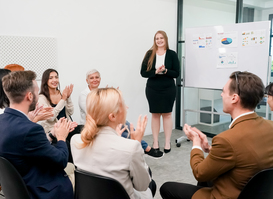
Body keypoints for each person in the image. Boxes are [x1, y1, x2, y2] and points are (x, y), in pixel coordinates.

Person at [160, 71, 273, 199]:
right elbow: (244, 155)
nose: (221, 94)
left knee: (167, 188)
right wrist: (210, 149)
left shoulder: (227, 139)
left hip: (227, 195)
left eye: (224, 91)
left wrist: (196, 143)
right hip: (254, 192)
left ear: (234, 98)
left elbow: (199, 172)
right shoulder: (270, 126)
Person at [0, 70, 73, 199]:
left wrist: (51, 134)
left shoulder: (3, 121)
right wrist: (61, 137)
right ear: (29, 96)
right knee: (75, 172)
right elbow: (61, 160)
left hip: (18, 188)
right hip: (41, 190)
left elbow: (25, 147)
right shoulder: (31, 129)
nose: (38, 96)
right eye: (36, 92)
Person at [72, 87, 156, 199]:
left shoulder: (76, 140)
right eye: (123, 105)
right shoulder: (131, 147)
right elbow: (142, 186)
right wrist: (137, 143)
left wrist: (115, 136)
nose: (126, 108)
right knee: (151, 184)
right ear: (112, 116)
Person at [79, 69, 163, 159]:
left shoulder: (102, 92)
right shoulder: (84, 95)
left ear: (100, 79)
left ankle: (142, 147)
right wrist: (114, 107)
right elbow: (93, 113)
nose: (95, 79)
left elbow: (106, 108)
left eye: (97, 77)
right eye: (91, 78)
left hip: (105, 121)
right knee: (122, 127)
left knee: (123, 123)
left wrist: (116, 102)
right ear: (87, 81)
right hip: (93, 125)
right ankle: (143, 148)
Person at [141, 30, 180, 153]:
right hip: (153, 89)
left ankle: (167, 142)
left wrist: (166, 71)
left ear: (165, 39)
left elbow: (177, 73)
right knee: (155, 114)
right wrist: (155, 72)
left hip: (168, 88)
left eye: (161, 38)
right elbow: (143, 73)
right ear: (155, 40)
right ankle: (156, 142)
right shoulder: (149, 54)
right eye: (157, 38)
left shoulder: (172, 54)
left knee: (167, 114)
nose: (159, 40)